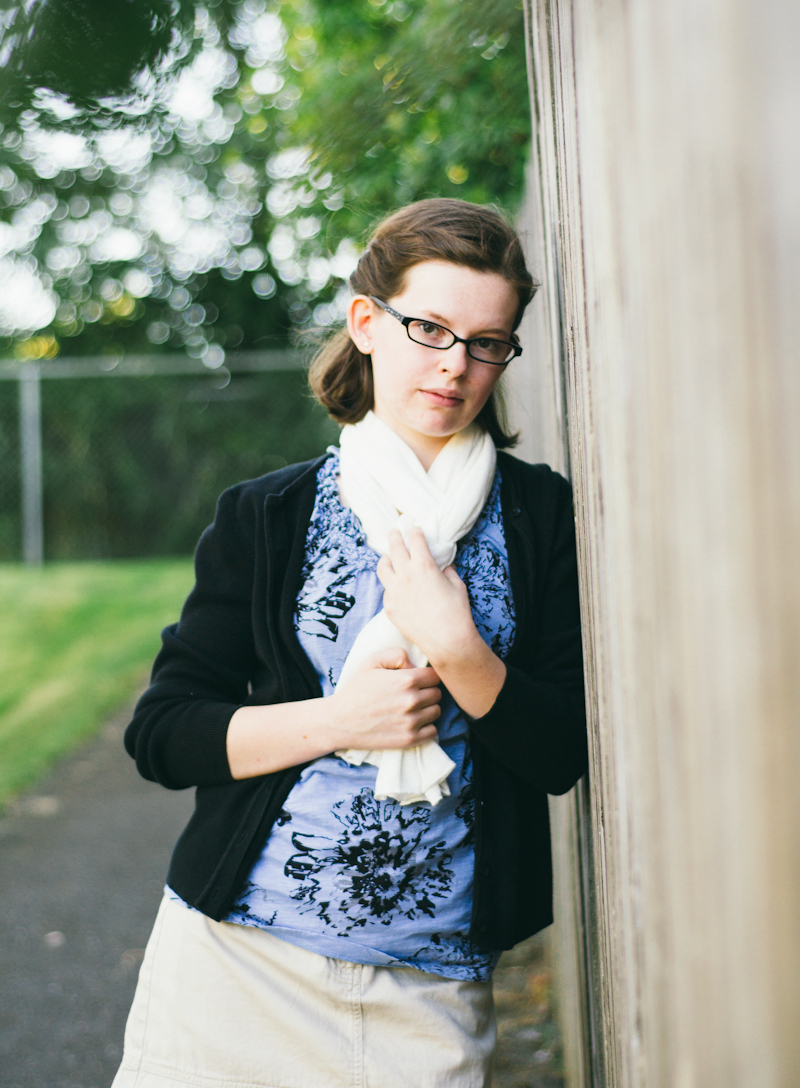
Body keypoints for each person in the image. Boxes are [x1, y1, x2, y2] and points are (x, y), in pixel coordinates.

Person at [112, 198, 587, 1088]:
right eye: (429, 328)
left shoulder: (541, 516)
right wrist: (342, 719)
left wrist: (461, 651)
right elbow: (164, 735)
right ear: (367, 323)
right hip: (234, 967)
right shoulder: (267, 514)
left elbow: (560, 752)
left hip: (430, 989)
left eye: (487, 342)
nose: (455, 364)